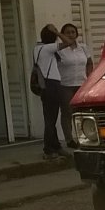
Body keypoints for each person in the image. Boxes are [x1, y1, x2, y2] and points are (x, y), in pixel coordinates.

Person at [33, 24, 73, 159]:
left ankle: (55, 145)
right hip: (51, 84)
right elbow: (68, 42)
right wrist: (57, 31)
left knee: (50, 117)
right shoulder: (48, 48)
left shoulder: (37, 48)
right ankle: (49, 148)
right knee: (51, 118)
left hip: (45, 84)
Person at [57, 23, 94, 149]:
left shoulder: (83, 48)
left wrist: (89, 77)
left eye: (73, 32)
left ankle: (84, 137)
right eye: (67, 32)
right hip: (65, 85)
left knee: (82, 113)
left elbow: (89, 63)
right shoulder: (60, 49)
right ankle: (69, 139)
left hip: (81, 85)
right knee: (67, 112)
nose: (71, 35)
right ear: (62, 34)